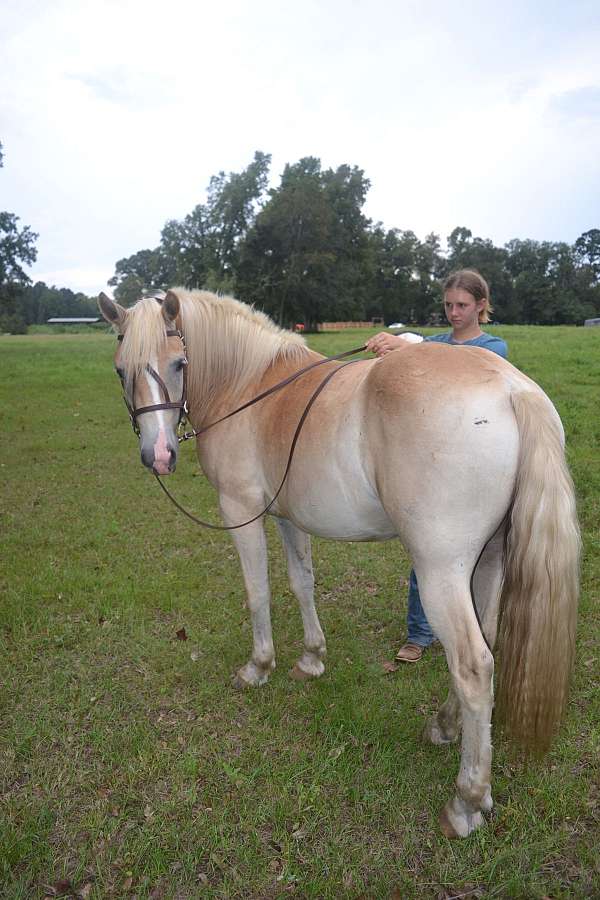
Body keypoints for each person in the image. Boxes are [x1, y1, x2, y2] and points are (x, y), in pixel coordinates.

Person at [365, 269, 508, 663]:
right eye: (448, 305)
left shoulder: (493, 347)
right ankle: (420, 631)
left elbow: (457, 366)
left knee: (483, 556)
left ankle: (478, 629)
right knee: (428, 551)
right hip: (435, 455)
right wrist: (399, 348)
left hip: (475, 458)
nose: (454, 313)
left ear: (481, 305)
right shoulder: (438, 342)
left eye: (462, 305)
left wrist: (408, 344)